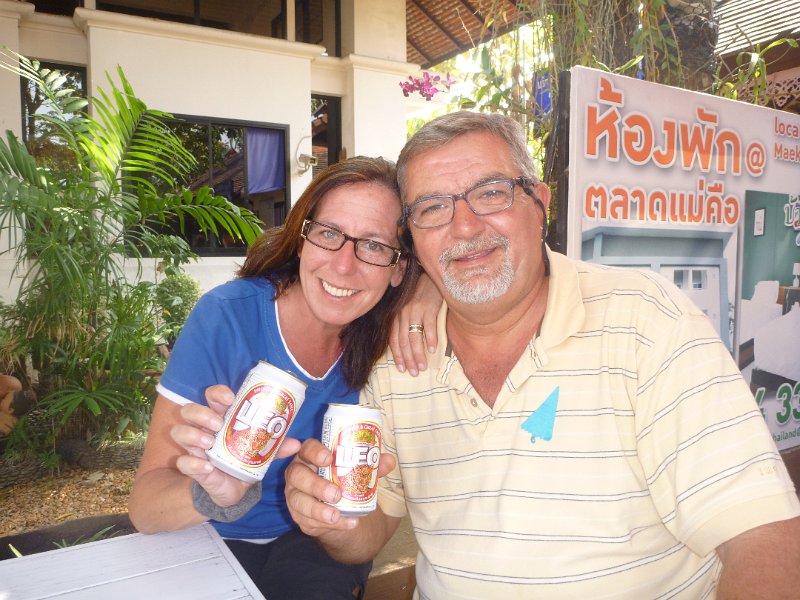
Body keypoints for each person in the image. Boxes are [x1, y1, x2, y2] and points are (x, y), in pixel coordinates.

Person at [284, 111, 800, 599]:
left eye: (491, 193)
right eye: (433, 208)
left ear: (540, 204)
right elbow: (369, 533)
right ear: (413, 239)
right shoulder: (398, 360)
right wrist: (329, 516)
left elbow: (763, 537)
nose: (464, 227)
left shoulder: (647, 320)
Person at [128, 156, 419, 599]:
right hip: (213, 538)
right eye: (328, 233)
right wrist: (216, 493)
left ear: (399, 268)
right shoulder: (227, 317)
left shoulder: (392, 337)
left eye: (375, 246)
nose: (343, 265)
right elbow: (146, 508)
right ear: (301, 238)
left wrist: (429, 296)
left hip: (319, 540)